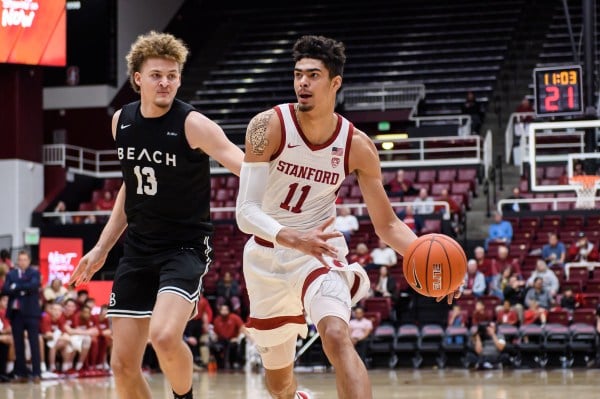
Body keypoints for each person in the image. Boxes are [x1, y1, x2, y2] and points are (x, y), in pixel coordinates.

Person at [235, 35, 458, 399]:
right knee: (278, 386)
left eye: (313, 75)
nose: (303, 83)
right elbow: (245, 212)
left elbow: (386, 225)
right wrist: (292, 237)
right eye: (297, 75)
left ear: (335, 82)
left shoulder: (358, 146)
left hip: (319, 253)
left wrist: (431, 260)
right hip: (264, 257)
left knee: (337, 336)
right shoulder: (267, 125)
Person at [69, 31, 243, 399]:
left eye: (172, 74)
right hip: (138, 250)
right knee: (122, 365)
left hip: (184, 248)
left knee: (163, 336)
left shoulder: (193, 124)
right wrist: (101, 249)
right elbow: (130, 188)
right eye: (156, 75)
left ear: (180, 77)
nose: (165, 82)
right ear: (137, 79)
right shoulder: (122, 121)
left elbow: (244, 165)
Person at [2, 250, 42, 382]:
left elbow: (33, 286)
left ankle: (36, 373)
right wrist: (23, 288)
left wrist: (16, 286)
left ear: (29, 261)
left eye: (25, 259)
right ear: (17, 261)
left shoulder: (34, 272)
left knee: (34, 343)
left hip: (31, 313)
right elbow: (6, 289)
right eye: (20, 259)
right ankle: (21, 372)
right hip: (16, 313)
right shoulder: (11, 273)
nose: (22, 262)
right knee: (18, 344)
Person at [211, 304, 246, 370]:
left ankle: (232, 364)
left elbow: (242, 327)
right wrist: (214, 338)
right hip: (221, 340)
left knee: (233, 345)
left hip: (232, 339)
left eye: (226, 310)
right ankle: (219, 365)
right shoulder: (217, 320)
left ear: (229, 311)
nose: (224, 311)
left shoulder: (234, 317)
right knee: (214, 347)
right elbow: (215, 332)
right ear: (220, 311)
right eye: (222, 310)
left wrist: (237, 338)